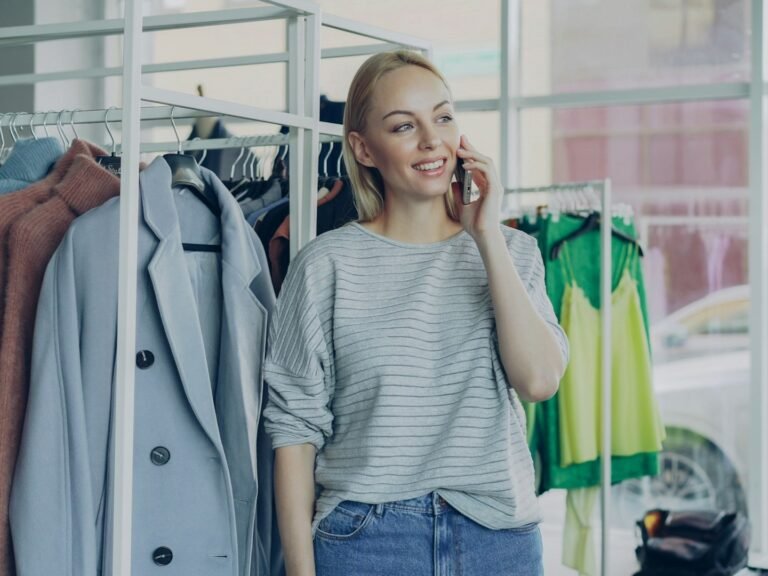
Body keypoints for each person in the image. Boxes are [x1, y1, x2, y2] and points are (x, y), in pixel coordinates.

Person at [263, 50, 569, 576]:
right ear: (363, 148)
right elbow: (294, 430)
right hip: (366, 541)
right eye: (405, 126)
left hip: (497, 541)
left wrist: (487, 235)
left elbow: (539, 380)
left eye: (443, 117)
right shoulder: (326, 263)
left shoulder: (514, 252)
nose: (432, 141)